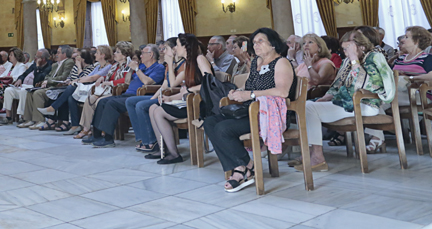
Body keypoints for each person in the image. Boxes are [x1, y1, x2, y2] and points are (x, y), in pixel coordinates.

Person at [203, 27, 295, 192]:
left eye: (261, 41)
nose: (256, 45)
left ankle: (242, 169)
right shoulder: (256, 63)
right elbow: (249, 85)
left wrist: (250, 95)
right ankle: (245, 165)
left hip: (270, 115)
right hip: (251, 111)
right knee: (209, 122)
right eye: (254, 42)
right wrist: (238, 92)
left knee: (224, 129)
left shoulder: (281, 62)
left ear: (273, 44)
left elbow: (282, 91)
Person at [300, 30, 395, 168]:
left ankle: (316, 156)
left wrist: (354, 60)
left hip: (366, 104)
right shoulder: (347, 62)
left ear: (361, 46)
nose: (345, 52)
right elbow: (338, 84)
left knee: (309, 108)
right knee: (308, 105)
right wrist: (326, 97)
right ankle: (312, 153)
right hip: (347, 103)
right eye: (344, 49)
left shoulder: (375, 57)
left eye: (348, 48)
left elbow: (363, 85)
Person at [82, 42, 165, 148]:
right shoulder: (142, 67)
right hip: (127, 94)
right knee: (102, 102)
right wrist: (131, 68)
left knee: (111, 103)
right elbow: (127, 81)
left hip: (138, 96)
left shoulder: (158, 68)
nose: (140, 56)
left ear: (151, 55)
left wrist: (136, 69)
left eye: (143, 53)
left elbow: (147, 82)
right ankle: (96, 135)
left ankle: (108, 138)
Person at [147, 33, 213, 163]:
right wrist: (170, 99)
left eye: (177, 45)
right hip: (189, 101)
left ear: (185, 46)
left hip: (201, 103)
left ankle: (173, 153)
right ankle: (163, 149)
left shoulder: (199, 59)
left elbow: (210, 82)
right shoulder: (188, 63)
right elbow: (182, 90)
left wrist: (189, 90)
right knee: (153, 107)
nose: (175, 48)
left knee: (159, 111)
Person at [39, 45, 113, 134]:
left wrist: (77, 80)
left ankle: (53, 108)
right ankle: (75, 125)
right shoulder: (98, 66)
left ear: (103, 55)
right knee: (71, 97)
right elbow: (87, 77)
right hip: (88, 87)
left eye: (97, 53)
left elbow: (92, 78)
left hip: (96, 89)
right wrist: (77, 80)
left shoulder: (108, 67)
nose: (95, 55)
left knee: (71, 87)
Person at [75, 42, 132, 140]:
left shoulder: (128, 65)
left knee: (98, 101)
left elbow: (125, 80)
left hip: (116, 92)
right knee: (90, 99)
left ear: (124, 54)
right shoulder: (116, 65)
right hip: (107, 90)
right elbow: (110, 76)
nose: (114, 54)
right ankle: (87, 128)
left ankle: (100, 130)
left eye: (117, 52)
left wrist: (110, 83)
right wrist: (103, 78)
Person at [18, 46, 74, 129]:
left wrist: (48, 81)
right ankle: (28, 119)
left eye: (58, 53)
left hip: (58, 87)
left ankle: (40, 120)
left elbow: (63, 77)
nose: (56, 54)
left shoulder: (68, 62)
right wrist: (46, 80)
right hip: (51, 86)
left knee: (38, 93)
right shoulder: (55, 64)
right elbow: (47, 76)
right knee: (29, 92)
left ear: (64, 54)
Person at [1, 49, 50, 125]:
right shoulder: (34, 65)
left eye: (37, 56)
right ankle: (8, 117)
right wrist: (20, 79)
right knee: (9, 90)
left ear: (43, 59)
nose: (35, 58)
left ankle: (24, 117)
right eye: (35, 56)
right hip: (25, 85)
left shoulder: (48, 66)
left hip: (34, 87)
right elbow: (24, 74)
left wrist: (37, 67)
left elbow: (38, 79)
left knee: (24, 90)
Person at [392, 26, 432, 106]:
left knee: (381, 100)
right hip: (398, 91)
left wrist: (409, 78)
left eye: (406, 37)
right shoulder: (401, 58)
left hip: (420, 95)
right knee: (378, 100)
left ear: (416, 41)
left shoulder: (427, 58)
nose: (402, 40)